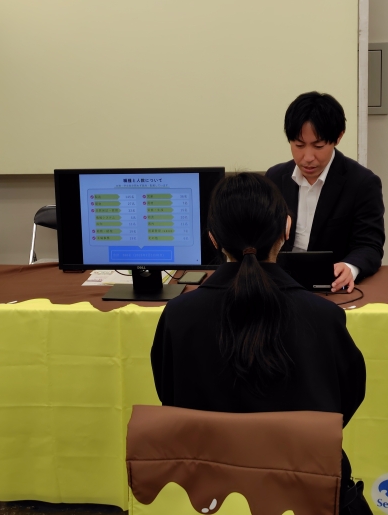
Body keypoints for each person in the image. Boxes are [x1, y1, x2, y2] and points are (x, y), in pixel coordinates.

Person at [151, 173, 370, 514]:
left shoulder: (178, 316)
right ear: (286, 228)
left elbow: (171, 398)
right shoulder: (324, 316)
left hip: (210, 492)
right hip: (309, 486)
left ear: (212, 238)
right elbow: (345, 402)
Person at [265, 91, 385, 293]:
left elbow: (369, 245)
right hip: (279, 285)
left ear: (338, 137)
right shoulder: (275, 177)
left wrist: (350, 267)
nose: (307, 157)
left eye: (318, 146)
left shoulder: (362, 183)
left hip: (331, 286)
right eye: (299, 145)